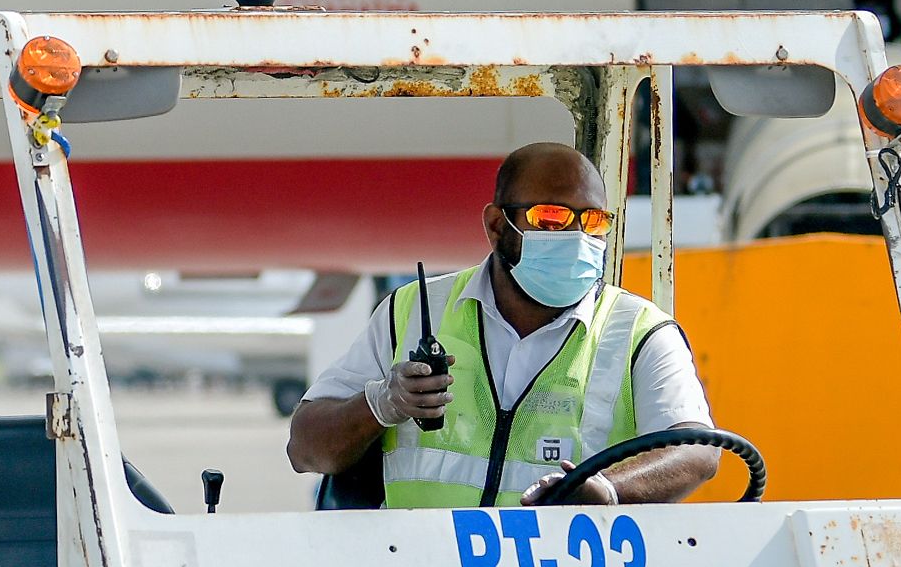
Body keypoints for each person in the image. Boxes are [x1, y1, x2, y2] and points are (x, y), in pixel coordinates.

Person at [286, 140, 721, 507]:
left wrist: (609, 490)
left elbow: (696, 451)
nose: (576, 237)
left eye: (592, 221)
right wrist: (380, 404)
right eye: (550, 218)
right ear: (497, 225)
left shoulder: (640, 332)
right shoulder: (413, 311)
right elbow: (305, 449)